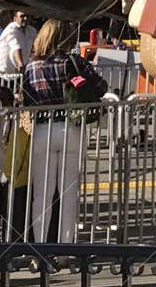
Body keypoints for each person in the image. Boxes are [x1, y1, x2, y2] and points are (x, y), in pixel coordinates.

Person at [22, 19, 110, 244]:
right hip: (71, 127)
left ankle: (40, 246)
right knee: (69, 192)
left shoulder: (30, 67)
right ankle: (66, 246)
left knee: (41, 194)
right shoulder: (73, 62)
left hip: (42, 129)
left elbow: (27, 101)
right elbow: (101, 86)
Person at [0, 10, 35, 77]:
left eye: (27, 16)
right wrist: (20, 65)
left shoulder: (32, 30)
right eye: (22, 16)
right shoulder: (11, 30)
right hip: (5, 75)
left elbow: (36, 46)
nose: (26, 18)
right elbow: (16, 48)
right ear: (15, 18)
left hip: (21, 74)